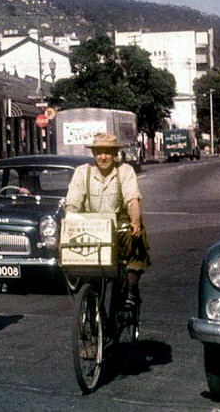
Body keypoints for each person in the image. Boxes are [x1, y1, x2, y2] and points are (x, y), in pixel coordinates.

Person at [64, 132, 149, 309]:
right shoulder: (82, 172)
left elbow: (132, 200)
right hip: (91, 225)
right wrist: (69, 221)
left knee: (137, 237)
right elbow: (72, 203)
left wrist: (135, 221)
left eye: (107, 152)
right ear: (93, 154)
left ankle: (131, 288)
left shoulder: (125, 171)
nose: (103, 157)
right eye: (99, 152)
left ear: (115, 153)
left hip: (119, 223)